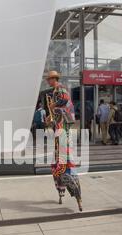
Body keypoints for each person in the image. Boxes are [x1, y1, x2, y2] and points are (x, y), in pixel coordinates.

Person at [46, 71, 82, 211]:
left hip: (62, 129)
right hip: (59, 129)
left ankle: (72, 194)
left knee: (64, 157)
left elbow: (65, 100)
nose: (48, 82)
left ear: (54, 79)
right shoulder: (54, 92)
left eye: (49, 79)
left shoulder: (60, 89)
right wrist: (51, 117)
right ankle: (61, 192)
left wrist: (54, 106)